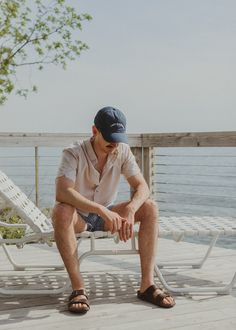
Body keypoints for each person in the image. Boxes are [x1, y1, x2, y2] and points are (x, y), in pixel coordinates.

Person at [52, 106, 175, 314]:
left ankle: (146, 285)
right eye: (109, 137)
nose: (114, 143)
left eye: (118, 137)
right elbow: (63, 192)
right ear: (94, 131)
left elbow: (143, 187)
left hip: (110, 215)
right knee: (61, 211)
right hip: (79, 217)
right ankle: (78, 289)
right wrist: (100, 209)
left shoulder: (122, 150)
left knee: (150, 207)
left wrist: (131, 209)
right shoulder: (73, 153)